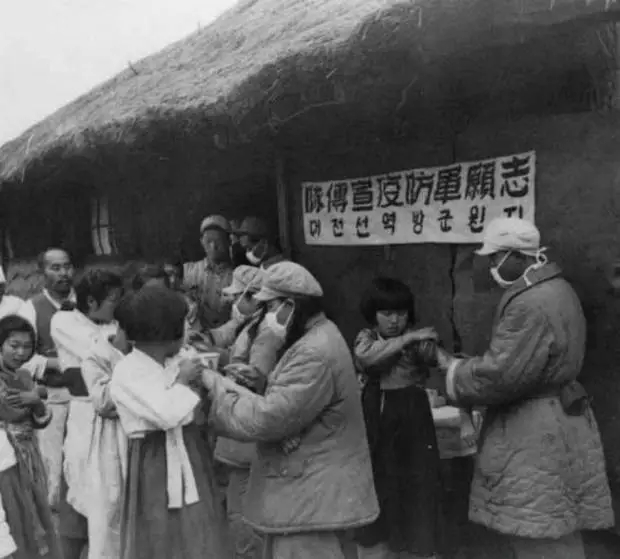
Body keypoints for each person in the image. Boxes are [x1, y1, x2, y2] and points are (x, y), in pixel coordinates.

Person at [435, 217, 614, 559]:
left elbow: (501, 375)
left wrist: (452, 368)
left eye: (495, 257)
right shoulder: (558, 288)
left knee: (537, 533)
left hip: (533, 428)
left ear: (517, 256)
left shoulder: (528, 302)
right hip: (563, 415)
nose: (491, 266)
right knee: (561, 528)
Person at [204, 261, 379, 559]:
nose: (268, 315)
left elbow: (269, 419)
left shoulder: (312, 350)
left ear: (290, 305)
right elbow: (296, 403)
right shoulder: (319, 336)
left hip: (311, 493)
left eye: (271, 306)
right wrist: (261, 383)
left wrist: (215, 389)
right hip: (312, 490)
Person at [109, 287, 232, 559]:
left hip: (189, 450)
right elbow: (165, 414)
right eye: (184, 324)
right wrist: (183, 382)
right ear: (165, 331)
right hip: (155, 461)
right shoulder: (127, 371)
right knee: (162, 534)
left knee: (198, 529)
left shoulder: (175, 361)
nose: (188, 330)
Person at [354, 277, 442, 559]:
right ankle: (381, 545)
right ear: (373, 315)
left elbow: (436, 357)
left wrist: (435, 351)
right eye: (387, 313)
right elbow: (367, 359)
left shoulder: (418, 341)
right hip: (378, 413)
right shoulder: (366, 338)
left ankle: (416, 546)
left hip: (413, 413)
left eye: (401, 314)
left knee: (417, 478)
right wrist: (408, 339)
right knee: (382, 477)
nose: (394, 321)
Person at [50, 269, 124, 559]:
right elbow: (102, 352)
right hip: (84, 418)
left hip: (114, 423)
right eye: (113, 300)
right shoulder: (64, 321)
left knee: (109, 505)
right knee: (77, 500)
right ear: (91, 301)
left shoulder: (113, 324)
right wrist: (121, 342)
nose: (117, 306)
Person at [0, 315, 61, 559]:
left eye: (26, 347)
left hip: (29, 454)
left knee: (34, 507)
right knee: (13, 511)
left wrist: (35, 400)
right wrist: (35, 397)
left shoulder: (25, 376)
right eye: (14, 345)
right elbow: (10, 411)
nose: (20, 352)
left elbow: (42, 419)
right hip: (7, 458)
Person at [19, 248, 75, 509]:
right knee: (52, 462)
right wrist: (57, 363)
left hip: (84, 394)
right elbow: (21, 358)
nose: (63, 273)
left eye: (67, 266)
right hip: (52, 395)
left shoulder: (84, 301)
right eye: (55, 268)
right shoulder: (31, 308)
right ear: (42, 273)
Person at [80, 316, 131, 559]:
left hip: (145, 446)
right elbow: (103, 403)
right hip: (111, 441)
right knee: (108, 514)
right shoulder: (98, 354)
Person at [183, 215, 234, 330]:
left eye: (218, 241)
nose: (213, 246)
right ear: (201, 242)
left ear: (229, 241)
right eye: (208, 241)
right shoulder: (188, 271)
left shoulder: (238, 276)